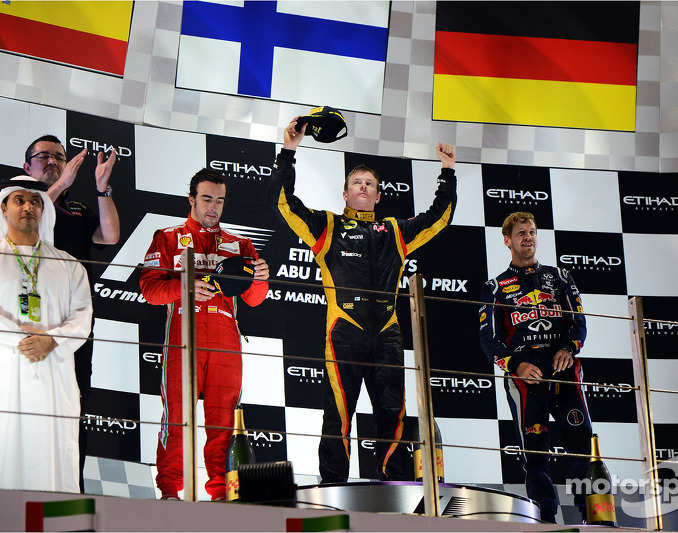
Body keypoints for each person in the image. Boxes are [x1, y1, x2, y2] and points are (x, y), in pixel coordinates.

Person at [269, 118, 456, 483]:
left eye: (370, 184)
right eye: (357, 182)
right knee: (338, 413)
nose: (363, 187)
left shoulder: (395, 232)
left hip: (387, 333)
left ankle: (396, 487)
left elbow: (439, 218)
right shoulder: (327, 227)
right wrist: (288, 151)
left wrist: (447, 171)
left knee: (393, 414)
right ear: (345, 193)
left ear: (378, 195)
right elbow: (284, 204)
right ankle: (333, 486)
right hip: (344, 333)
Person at [140, 168, 270, 501]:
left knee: (224, 422)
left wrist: (261, 278)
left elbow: (256, 300)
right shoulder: (168, 236)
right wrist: (184, 286)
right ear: (192, 199)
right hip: (184, 335)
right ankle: (169, 492)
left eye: (220, 201)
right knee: (178, 418)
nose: (213, 207)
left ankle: (222, 495)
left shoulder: (241, 244)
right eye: (207, 199)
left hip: (226, 339)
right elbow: (150, 290)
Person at [479, 211, 591, 524]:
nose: (528, 238)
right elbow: (488, 339)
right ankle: (546, 521)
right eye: (520, 234)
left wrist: (569, 348)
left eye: (531, 232)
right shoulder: (495, 287)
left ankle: (595, 518)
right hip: (525, 377)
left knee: (583, 447)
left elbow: (579, 322)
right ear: (507, 241)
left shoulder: (560, 277)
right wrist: (515, 363)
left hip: (563, 371)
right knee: (535, 452)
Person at [24, 134, 119, 492]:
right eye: (43, 157)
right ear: (27, 166)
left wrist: (102, 188)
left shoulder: (77, 208)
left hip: (72, 327)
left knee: (74, 405)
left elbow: (109, 237)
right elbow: (23, 226)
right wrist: (61, 183)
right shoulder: (16, 202)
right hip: (28, 321)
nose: (52, 162)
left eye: (59, 158)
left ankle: (68, 491)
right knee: (25, 400)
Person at [0, 176, 92, 492]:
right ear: (3, 208)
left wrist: (51, 340)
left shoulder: (68, 265)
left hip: (55, 375)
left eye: (36, 201)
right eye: (19, 200)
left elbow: (82, 317)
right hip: (6, 372)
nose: (28, 207)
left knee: (53, 456)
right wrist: (21, 341)